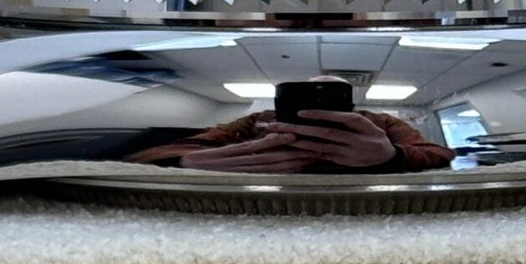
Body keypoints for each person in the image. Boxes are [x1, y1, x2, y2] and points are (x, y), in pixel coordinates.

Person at [132, 88, 453, 175]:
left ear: (350, 104)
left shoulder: (380, 123)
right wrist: (190, 162)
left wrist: (391, 155)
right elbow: (148, 156)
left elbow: (440, 153)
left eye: (332, 97)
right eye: (307, 95)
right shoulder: (258, 120)